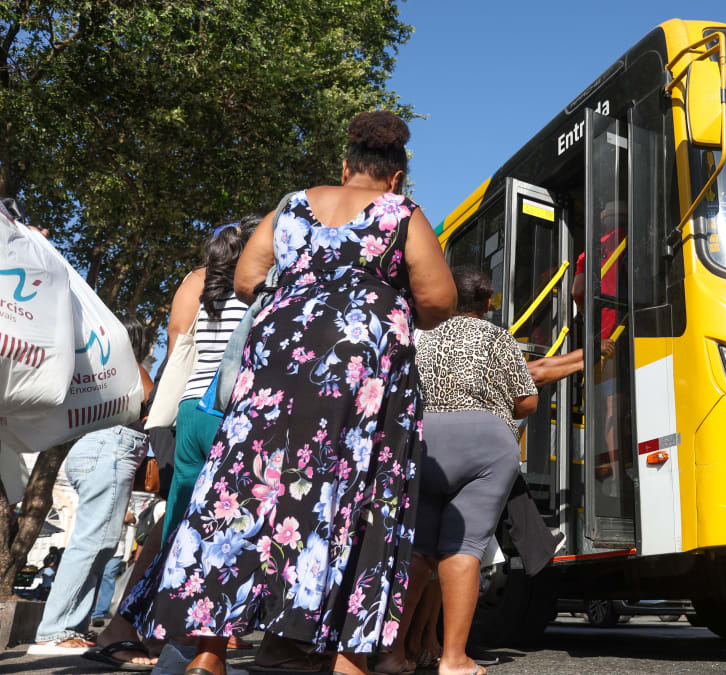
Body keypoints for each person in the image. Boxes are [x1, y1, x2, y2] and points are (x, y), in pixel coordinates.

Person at [120, 110, 456, 675]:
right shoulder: (403, 214)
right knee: (357, 495)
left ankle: (207, 654)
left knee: (246, 487)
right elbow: (439, 301)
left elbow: (249, 279)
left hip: (278, 366)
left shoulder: (292, 204)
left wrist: (306, 284)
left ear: (344, 167)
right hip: (359, 379)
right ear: (396, 177)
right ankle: (347, 660)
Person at [405, 265, 539, 675]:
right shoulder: (496, 337)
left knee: (419, 549)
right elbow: (526, 402)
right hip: (485, 443)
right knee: (465, 546)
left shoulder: (420, 335)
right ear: (484, 302)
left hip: (426, 442)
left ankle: (393, 652)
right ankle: (454, 658)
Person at [27, 317, 154, 655]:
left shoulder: (92, 371)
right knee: (94, 541)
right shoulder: (128, 370)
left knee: (98, 542)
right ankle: (54, 631)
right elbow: (154, 405)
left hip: (94, 450)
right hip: (110, 451)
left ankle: (71, 627)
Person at [160, 215, 261, 542]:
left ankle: (158, 584)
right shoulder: (259, 294)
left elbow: (178, 336)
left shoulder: (211, 289)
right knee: (221, 518)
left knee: (178, 510)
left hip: (190, 407)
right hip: (226, 406)